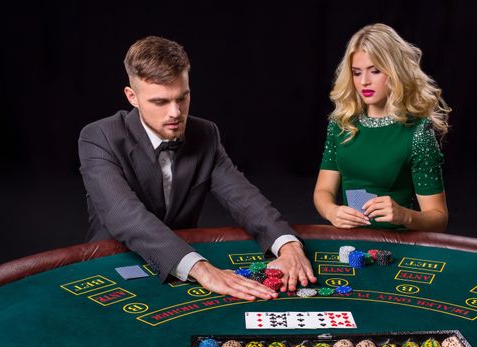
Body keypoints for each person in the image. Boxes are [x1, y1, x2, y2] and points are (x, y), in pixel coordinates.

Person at [78, 35, 316, 302]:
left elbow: (243, 198)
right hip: (115, 267)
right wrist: (202, 269)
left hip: (184, 275)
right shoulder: (99, 136)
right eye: (160, 102)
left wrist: (288, 244)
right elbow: (124, 214)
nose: (175, 113)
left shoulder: (205, 133)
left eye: (182, 98)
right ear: (132, 97)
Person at [314, 23, 450, 232]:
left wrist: (405, 215)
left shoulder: (418, 132)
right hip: (351, 240)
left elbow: (439, 218)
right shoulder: (342, 124)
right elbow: (323, 191)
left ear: (395, 72)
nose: (364, 82)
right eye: (357, 73)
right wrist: (332, 211)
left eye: (375, 71)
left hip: (398, 244)